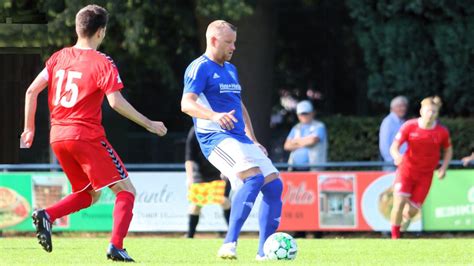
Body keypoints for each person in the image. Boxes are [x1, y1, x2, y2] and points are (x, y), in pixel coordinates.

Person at [20, 5, 167, 262]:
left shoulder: (58, 57)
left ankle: (48, 215)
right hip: (85, 136)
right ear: (101, 32)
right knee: (127, 191)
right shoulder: (102, 62)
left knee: (89, 193)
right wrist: (148, 123)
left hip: (58, 137)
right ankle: (116, 246)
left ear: (78, 28)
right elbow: (115, 102)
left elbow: (31, 91)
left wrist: (29, 128)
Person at [181, 20, 282, 260]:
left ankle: (263, 253)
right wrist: (214, 116)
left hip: (239, 138)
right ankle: (229, 244)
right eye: (229, 42)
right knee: (254, 177)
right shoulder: (199, 68)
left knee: (275, 185)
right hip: (215, 138)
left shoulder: (230, 69)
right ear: (214, 40)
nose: (233, 47)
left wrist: (253, 139)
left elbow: (240, 106)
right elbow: (186, 104)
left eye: (234, 43)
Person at [389, 96, 452, 239]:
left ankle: (404, 220)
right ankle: (394, 238)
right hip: (406, 172)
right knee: (398, 204)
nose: (431, 114)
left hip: (425, 175)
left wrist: (443, 168)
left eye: (434, 112)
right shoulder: (409, 126)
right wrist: (396, 156)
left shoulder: (441, 131)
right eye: (429, 111)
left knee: (411, 212)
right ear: (421, 111)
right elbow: (394, 147)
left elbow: (448, 149)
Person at [185, 126, 231, 238]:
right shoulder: (194, 131)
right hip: (200, 174)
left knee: (224, 201)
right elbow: (189, 158)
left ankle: (232, 233)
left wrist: (226, 170)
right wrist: (190, 178)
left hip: (219, 172)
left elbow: (229, 152)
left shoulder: (221, 129)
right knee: (196, 205)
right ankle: (190, 236)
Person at [284, 100, 327, 171]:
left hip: (313, 168)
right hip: (294, 168)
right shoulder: (296, 127)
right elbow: (287, 146)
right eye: (301, 114)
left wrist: (295, 141)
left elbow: (312, 141)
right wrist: (305, 142)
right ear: (298, 115)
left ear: (312, 113)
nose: (304, 116)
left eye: (306, 113)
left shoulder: (319, 126)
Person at [379, 96, 408, 171]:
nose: (403, 109)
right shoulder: (388, 122)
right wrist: (391, 161)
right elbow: (384, 145)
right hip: (392, 165)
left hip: (404, 163)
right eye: (400, 106)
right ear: (392, 108)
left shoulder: (403, 122)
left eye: (404, 106)